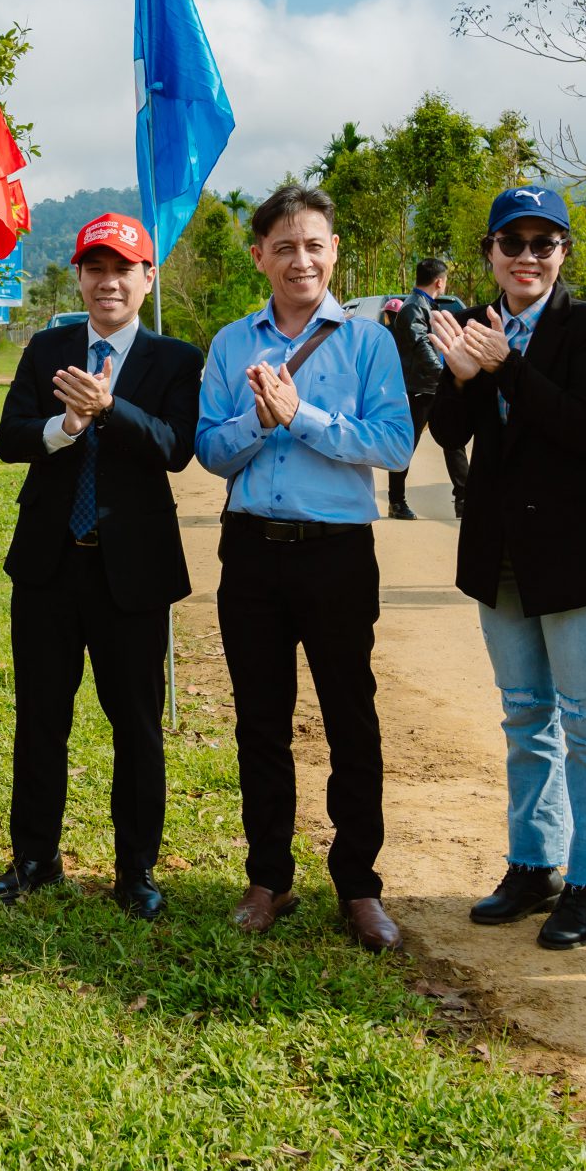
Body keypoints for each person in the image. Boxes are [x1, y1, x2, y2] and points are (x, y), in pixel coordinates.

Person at [193, 183, 415, 945]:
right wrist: (259, 421)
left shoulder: (369, 342)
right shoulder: (232, 344)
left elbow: (395, 444)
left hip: (337, 554)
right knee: (260, 721)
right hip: (252, 551)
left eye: (314, 245)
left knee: (352, 719)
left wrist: (304, 416)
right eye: (284, 247)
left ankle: (359, 886)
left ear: (334, 252)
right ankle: (269, 878)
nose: (301, 260)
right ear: (260, 255)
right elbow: (209, 448)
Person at [427, 188, 586, 952]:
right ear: (489, 251)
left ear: (563, 252)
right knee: (524, 714)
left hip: (578, 551)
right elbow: (447, 432)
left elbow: (583, 427)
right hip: (501, 551)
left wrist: (506, 364)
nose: (526, 256)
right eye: (511, 242)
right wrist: (460, 376)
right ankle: (533, 862)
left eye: (542, 243)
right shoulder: (472, 323)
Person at [0, 213, 201, 920]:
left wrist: (110, 409)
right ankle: (34, 857)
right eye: (95, 268)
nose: (109, 282)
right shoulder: (47, 348)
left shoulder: (174, 359)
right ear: (78, 276)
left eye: (123, 269)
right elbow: (9, 437)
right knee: (40, 716)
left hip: (132, 571)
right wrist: (65, 426)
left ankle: (135, 868)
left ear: (148, 278)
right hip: (49, 565)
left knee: (135, 721)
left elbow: (174, 447)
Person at [389, 258, 470, 520]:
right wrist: (444, 374)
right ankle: (397, 502)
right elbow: (421, 344)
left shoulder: (426, 305)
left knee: (453, 440)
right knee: (406, 445)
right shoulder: (413, 307)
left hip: (434, 386)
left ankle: (464, 499)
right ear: (439, 282)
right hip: (418, 388)